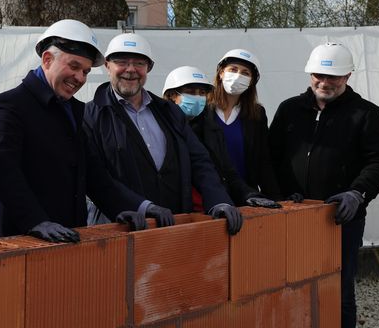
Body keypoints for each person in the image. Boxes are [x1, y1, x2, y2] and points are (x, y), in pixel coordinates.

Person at [269, 42, 379, 328]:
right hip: (292, 216)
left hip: (340, 219)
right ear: (310, 74)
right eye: (318, 76)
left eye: (333, 77)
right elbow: (270, 157)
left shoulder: (366, 114)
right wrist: (279, 198)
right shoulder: (289, 110)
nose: (325, 83)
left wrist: (357, 193)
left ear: (348, 76)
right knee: (290, 284)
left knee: (339, 292)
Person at [0, 19, 146, 242]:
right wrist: (35, 221)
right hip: (23, 242)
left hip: (70, 237)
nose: (80, 78)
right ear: (47, 59)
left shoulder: (73, 109)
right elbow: (3, 169)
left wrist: (124, 207)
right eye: (74, 66)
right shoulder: (11, 105)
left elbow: (92, 173)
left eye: (85, 71)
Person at [84, 33, 243, 235]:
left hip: (172, 227)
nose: (130, 69)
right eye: (121, 61)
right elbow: (97, 177)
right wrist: (141, 206)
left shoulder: (168, 112)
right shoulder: (91, 115)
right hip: (120, 229)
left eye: (139, 63)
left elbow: (199, 161)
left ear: (148, 68)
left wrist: (219, 201)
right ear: (107, 66)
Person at [162, 66, 280, 209]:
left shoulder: (209, 129)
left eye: (202, 93)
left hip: (199, 208)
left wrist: (249, 195)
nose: (198, 98)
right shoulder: (156, 126)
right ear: (172, 95)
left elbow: (224, 170)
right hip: (162, 208)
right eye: (191, 92)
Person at [207, 49, 282, 199]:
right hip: (209, 196)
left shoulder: (256, 114)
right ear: (221, 73)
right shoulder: (203, 110)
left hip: (246, 197)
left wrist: (277, 199)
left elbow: (263, 160)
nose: (238, 76)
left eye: (245, 73)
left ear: (252, 81)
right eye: (233, 69)